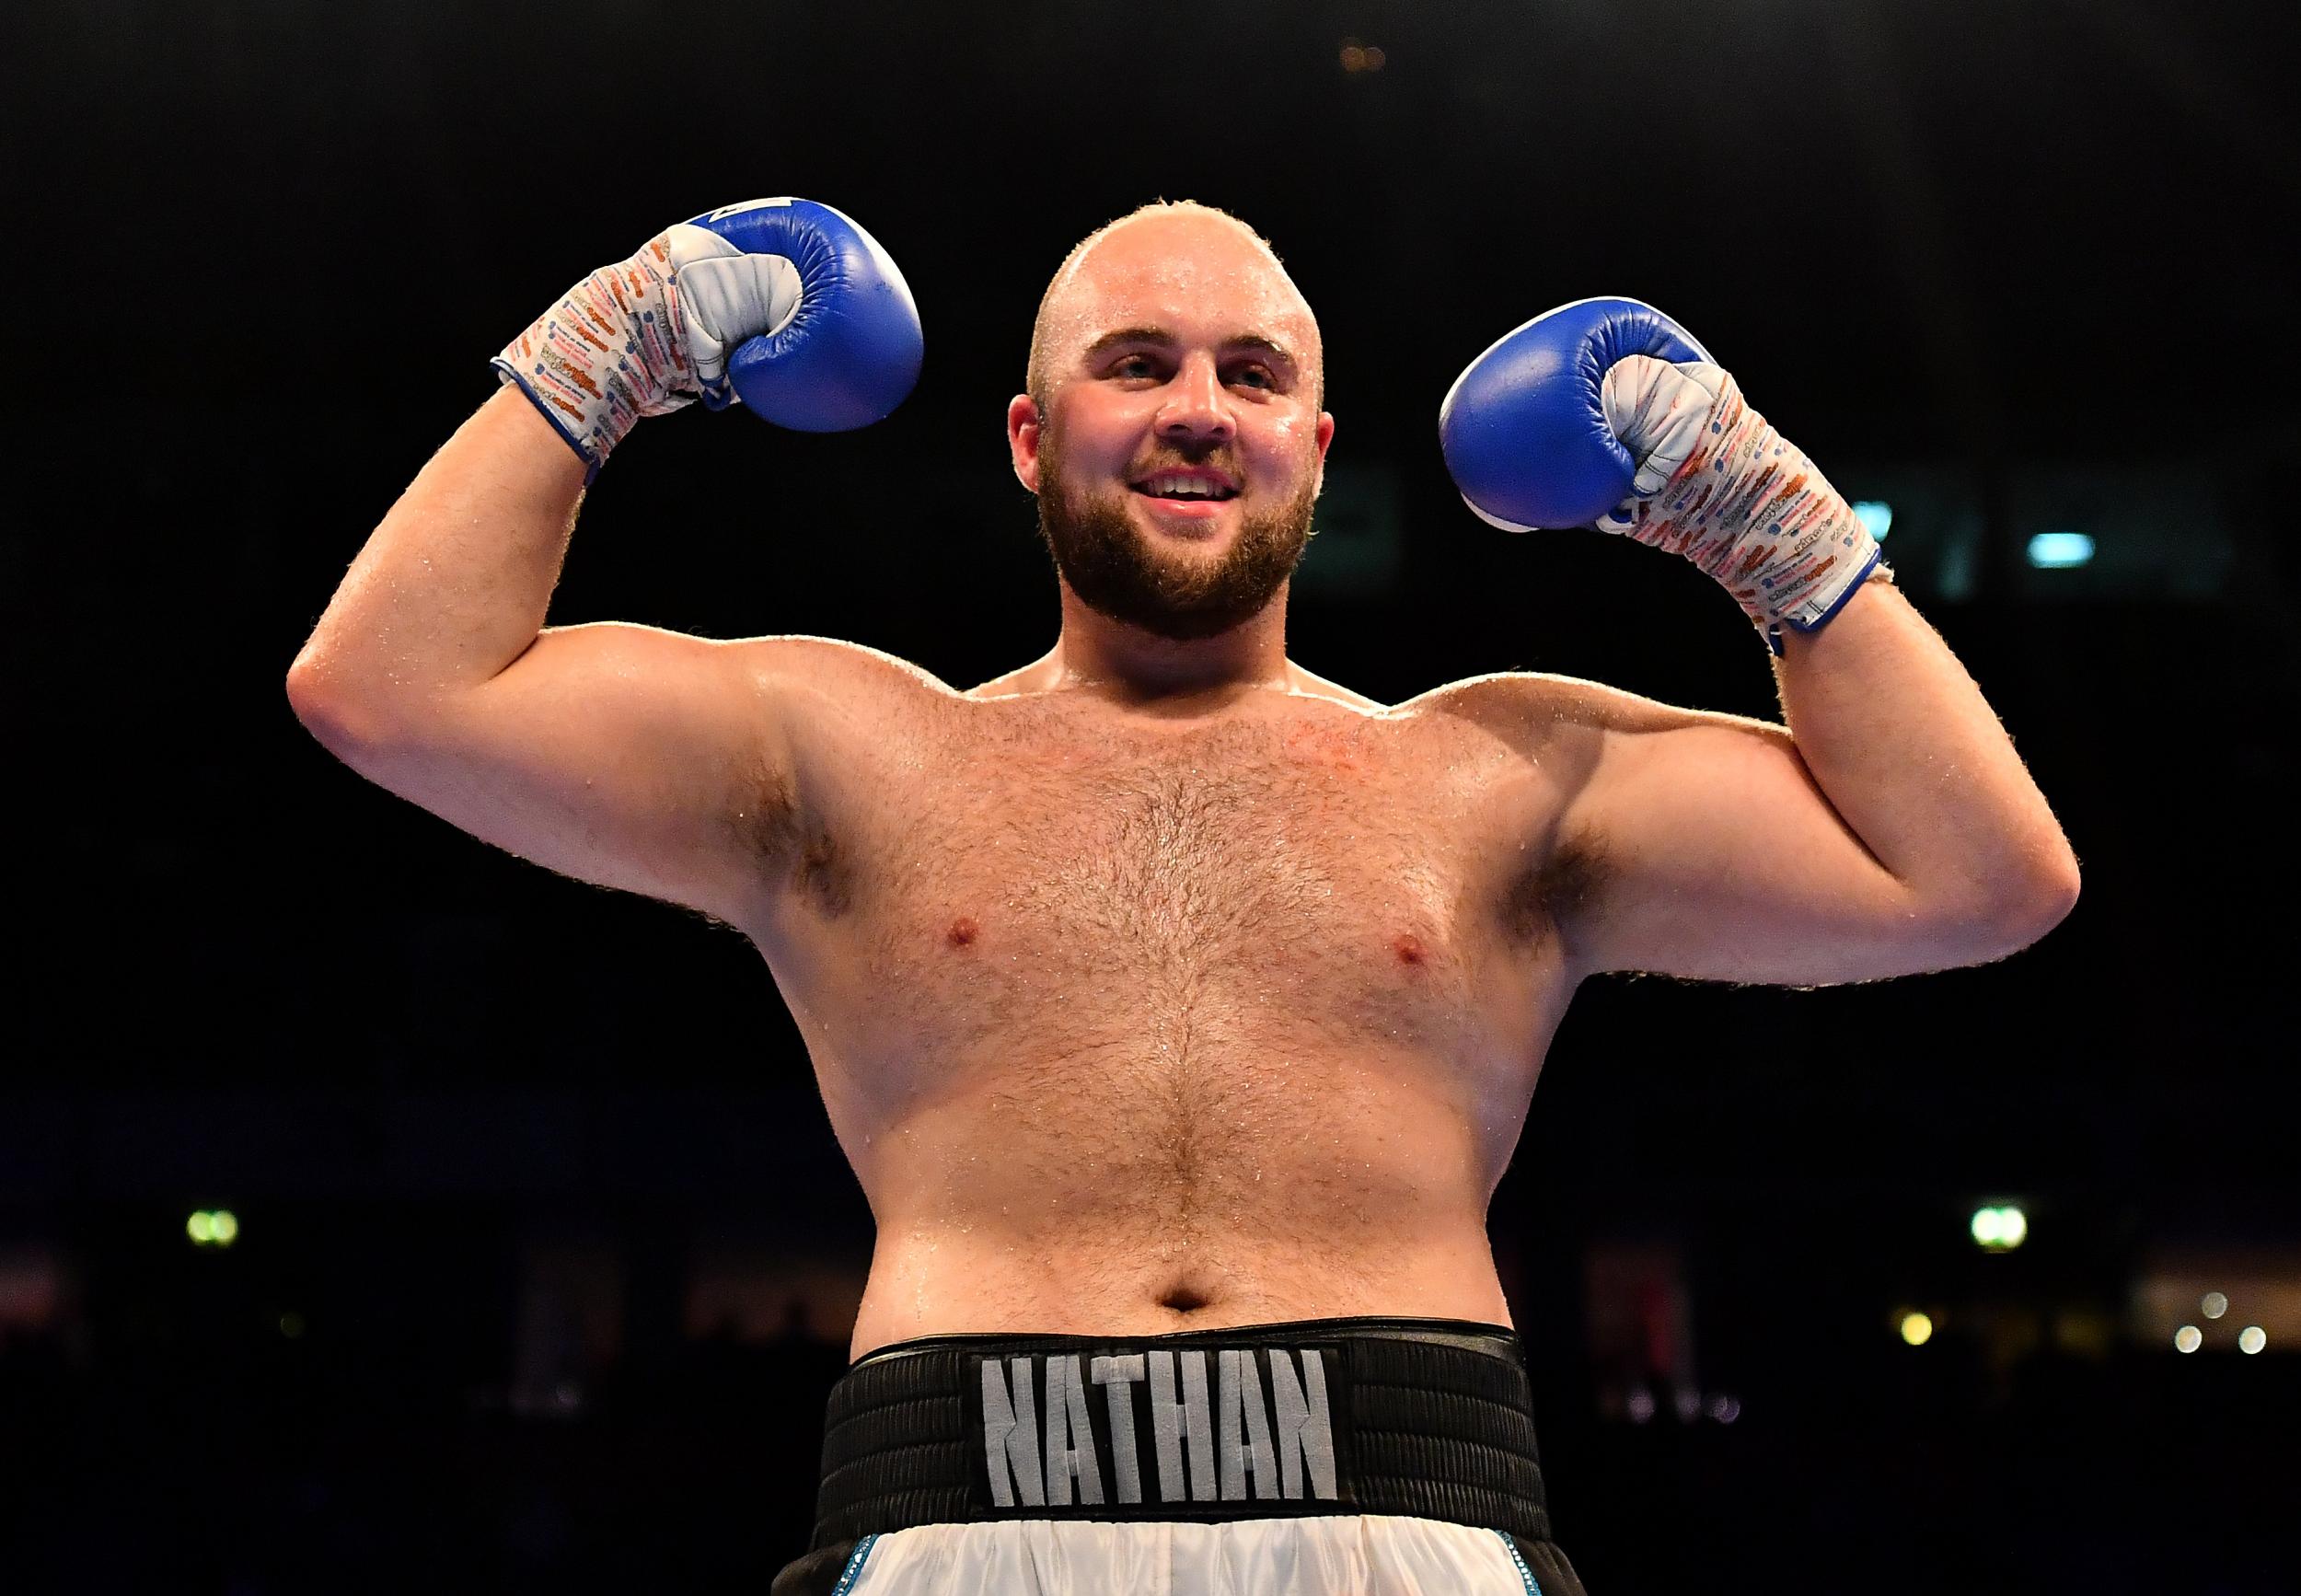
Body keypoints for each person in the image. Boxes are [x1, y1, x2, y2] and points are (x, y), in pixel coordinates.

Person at [287, 195, 2080, 1594]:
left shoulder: (1493, 776)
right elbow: (388, 690)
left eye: (1248, 375)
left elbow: (1976, 877)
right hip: (964, 1506)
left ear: (1313, 446)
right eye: (1134, 363)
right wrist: (635, 328)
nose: (1194, 411)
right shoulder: (840, 753)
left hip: (1403, 1508)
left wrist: (1746, 500)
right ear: (1023, 435)